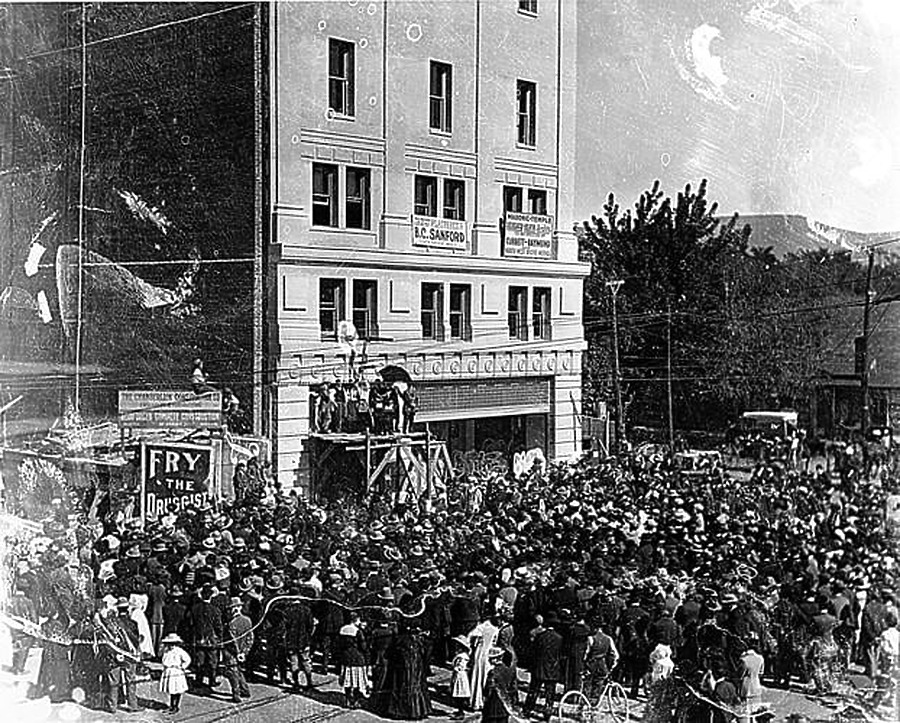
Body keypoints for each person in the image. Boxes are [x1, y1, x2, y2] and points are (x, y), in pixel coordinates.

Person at [523, 612, 562, 721]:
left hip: (539, 668)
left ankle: (527, 710)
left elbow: (533, 652)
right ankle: (547, 713)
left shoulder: (540, 637)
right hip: (553, 669)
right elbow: (560, 654)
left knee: (534, 690)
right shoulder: (559, 638)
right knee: (550, 694)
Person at [222, 597, 253, 703]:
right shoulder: (248, 620)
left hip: (231, 651)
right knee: (239, 670)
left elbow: (233, 640)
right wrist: (245, 652)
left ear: (234, 609)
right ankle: (245, 689)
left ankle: (236, 694)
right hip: (243, 650)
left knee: (232, 672)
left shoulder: (231, 623)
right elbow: (250, 638)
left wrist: (238, 652)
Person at [338, 612, 370, 709]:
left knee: (347, 680)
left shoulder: (342, 629)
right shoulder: (357, 631)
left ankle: (348, 700)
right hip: (357, 657)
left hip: (345, 657)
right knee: (357, 681)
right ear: (356, 620)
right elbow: (363, 646)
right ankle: (355, 701)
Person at [470, 615, 500, 710]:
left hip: (480, 653)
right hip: (488, 654)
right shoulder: (495, 630)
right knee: (485, 678)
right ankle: (484, 700)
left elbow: (471, 637)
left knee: (477, 677)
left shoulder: (480, 627)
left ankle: (476, 701)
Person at [482, 647, 518, 723]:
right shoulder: (510, 670)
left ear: (496, 658)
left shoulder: (493, 673)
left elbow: (488, 690)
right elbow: (514, 687)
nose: (489, 660)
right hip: (505, 706)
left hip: (493, 707)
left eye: (491, 658)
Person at [159, 633, 191, 714]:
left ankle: (176, 706)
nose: (171, 646)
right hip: (169, 671)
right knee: (171, 690)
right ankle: (171, 705)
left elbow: (187, 659)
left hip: (176, 671)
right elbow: (163, 659)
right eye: (169, 644)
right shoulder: (166, 651)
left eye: (173, 644)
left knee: (177, 690)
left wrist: (182, 667)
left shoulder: (179, 651)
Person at [449, 635, 472, 719]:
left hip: (460, 676)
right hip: (459, 675)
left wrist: (455, 668)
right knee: (458, 694)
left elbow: (461, 667)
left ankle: (461, 712)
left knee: (459, 695)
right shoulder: (460, 655)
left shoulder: (462, 657)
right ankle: (459, 711)